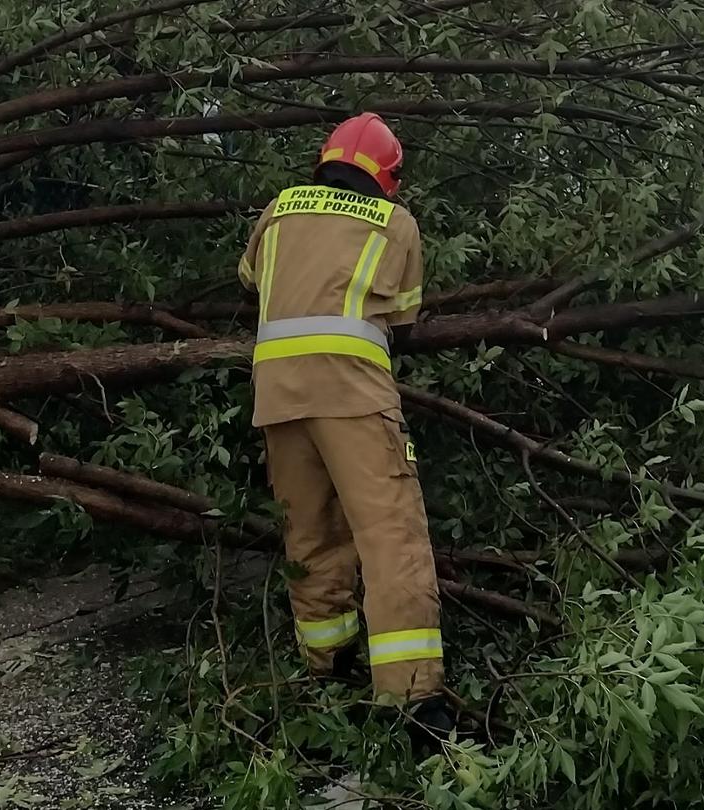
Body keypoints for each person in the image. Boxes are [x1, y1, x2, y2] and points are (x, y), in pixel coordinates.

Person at [237, 113, 453, 744]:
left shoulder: (278, 211)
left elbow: (251, 285)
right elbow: (405, 323)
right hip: (353, 395)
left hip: (276, 396)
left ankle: (327, 668)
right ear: (388, 176)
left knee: (310, 534)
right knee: (391, 535)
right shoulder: (395, 222)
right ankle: (416, 703)